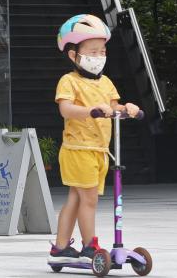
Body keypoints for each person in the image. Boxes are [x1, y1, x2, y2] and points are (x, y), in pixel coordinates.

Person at [48, 14, 140, 264]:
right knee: (88, 199)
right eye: (92, 52)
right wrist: (90, 111)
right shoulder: (69, 81)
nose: (98, 57)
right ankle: (90, 247)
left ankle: (60, 248)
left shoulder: (106, 82)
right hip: (77, 150)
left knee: (76, 199)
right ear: (73, 55)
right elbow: (65, 109)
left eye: (102, 52)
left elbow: (113, 107)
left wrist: (127, 108)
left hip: (99, 150)